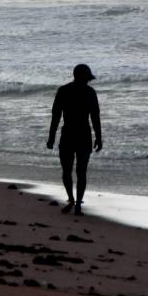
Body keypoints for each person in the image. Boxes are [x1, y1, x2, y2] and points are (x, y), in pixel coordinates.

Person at [47, 63, 102, 215]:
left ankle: (72, 200)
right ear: (84, 77)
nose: (89, 81)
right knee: (81, 172)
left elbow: (56, 116)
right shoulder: (90, 92)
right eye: (88, 78)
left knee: (67, 171)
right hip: (84, 136)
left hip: (68, 135)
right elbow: (95, 117)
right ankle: (77, 204)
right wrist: (98, 137)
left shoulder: (63, 91)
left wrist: (51, 137)